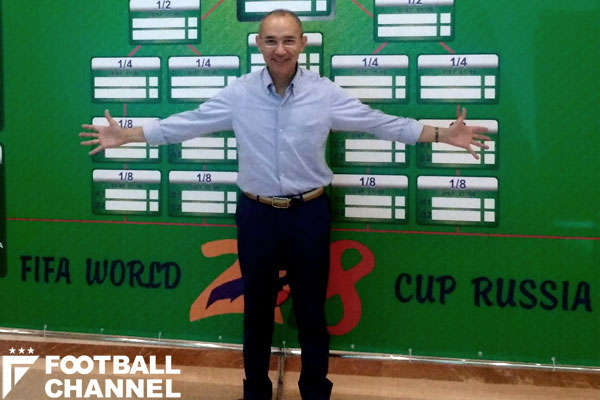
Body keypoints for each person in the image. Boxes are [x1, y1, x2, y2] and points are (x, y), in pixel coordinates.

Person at [80, 9, 490, 400]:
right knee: (257, 313)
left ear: (303, 44)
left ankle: (315, 392)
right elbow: (186, 123)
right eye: (272, 40)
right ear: (258, 43)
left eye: (289, 40)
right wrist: (127, 135)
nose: (280, 49)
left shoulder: (324, 94)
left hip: (308, 215)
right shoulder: (239, 94)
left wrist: (443, 135)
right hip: (256, 215)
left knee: (311, 312)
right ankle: (255, 392)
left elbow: (381, 123)